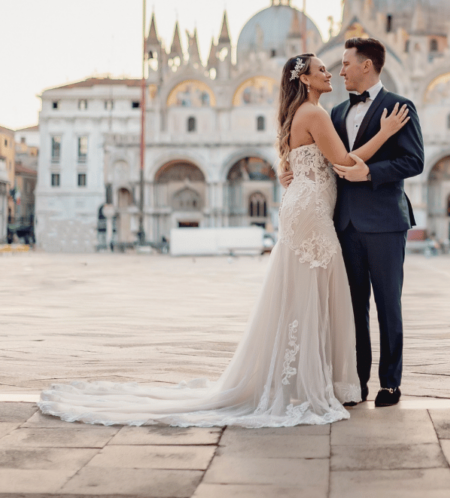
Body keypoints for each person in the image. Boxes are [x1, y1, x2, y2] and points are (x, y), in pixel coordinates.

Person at [38, 52, 408, 428]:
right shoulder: (314, 114)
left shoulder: (300, 114)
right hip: (311, 214)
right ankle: (315, 382)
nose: (330, 72)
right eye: (321, 70)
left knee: (303, 294)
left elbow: (302, 164)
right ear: (305, 81)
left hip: (304, 208)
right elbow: (344, 163)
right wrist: (385, 133)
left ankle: (302, 379)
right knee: (316, 293)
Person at [282, 37, 424, 407]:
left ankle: (390, 383)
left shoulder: (399, 107)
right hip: (342, 222)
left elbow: (414, 162)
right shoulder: (335, 113)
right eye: (335, 66)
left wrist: (370, 174)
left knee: (389, 305)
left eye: (345, 63)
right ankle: (355, 384)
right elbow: (332, 161)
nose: (340, 70)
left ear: (367, 65)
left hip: (385, 221)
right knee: (354, 306)